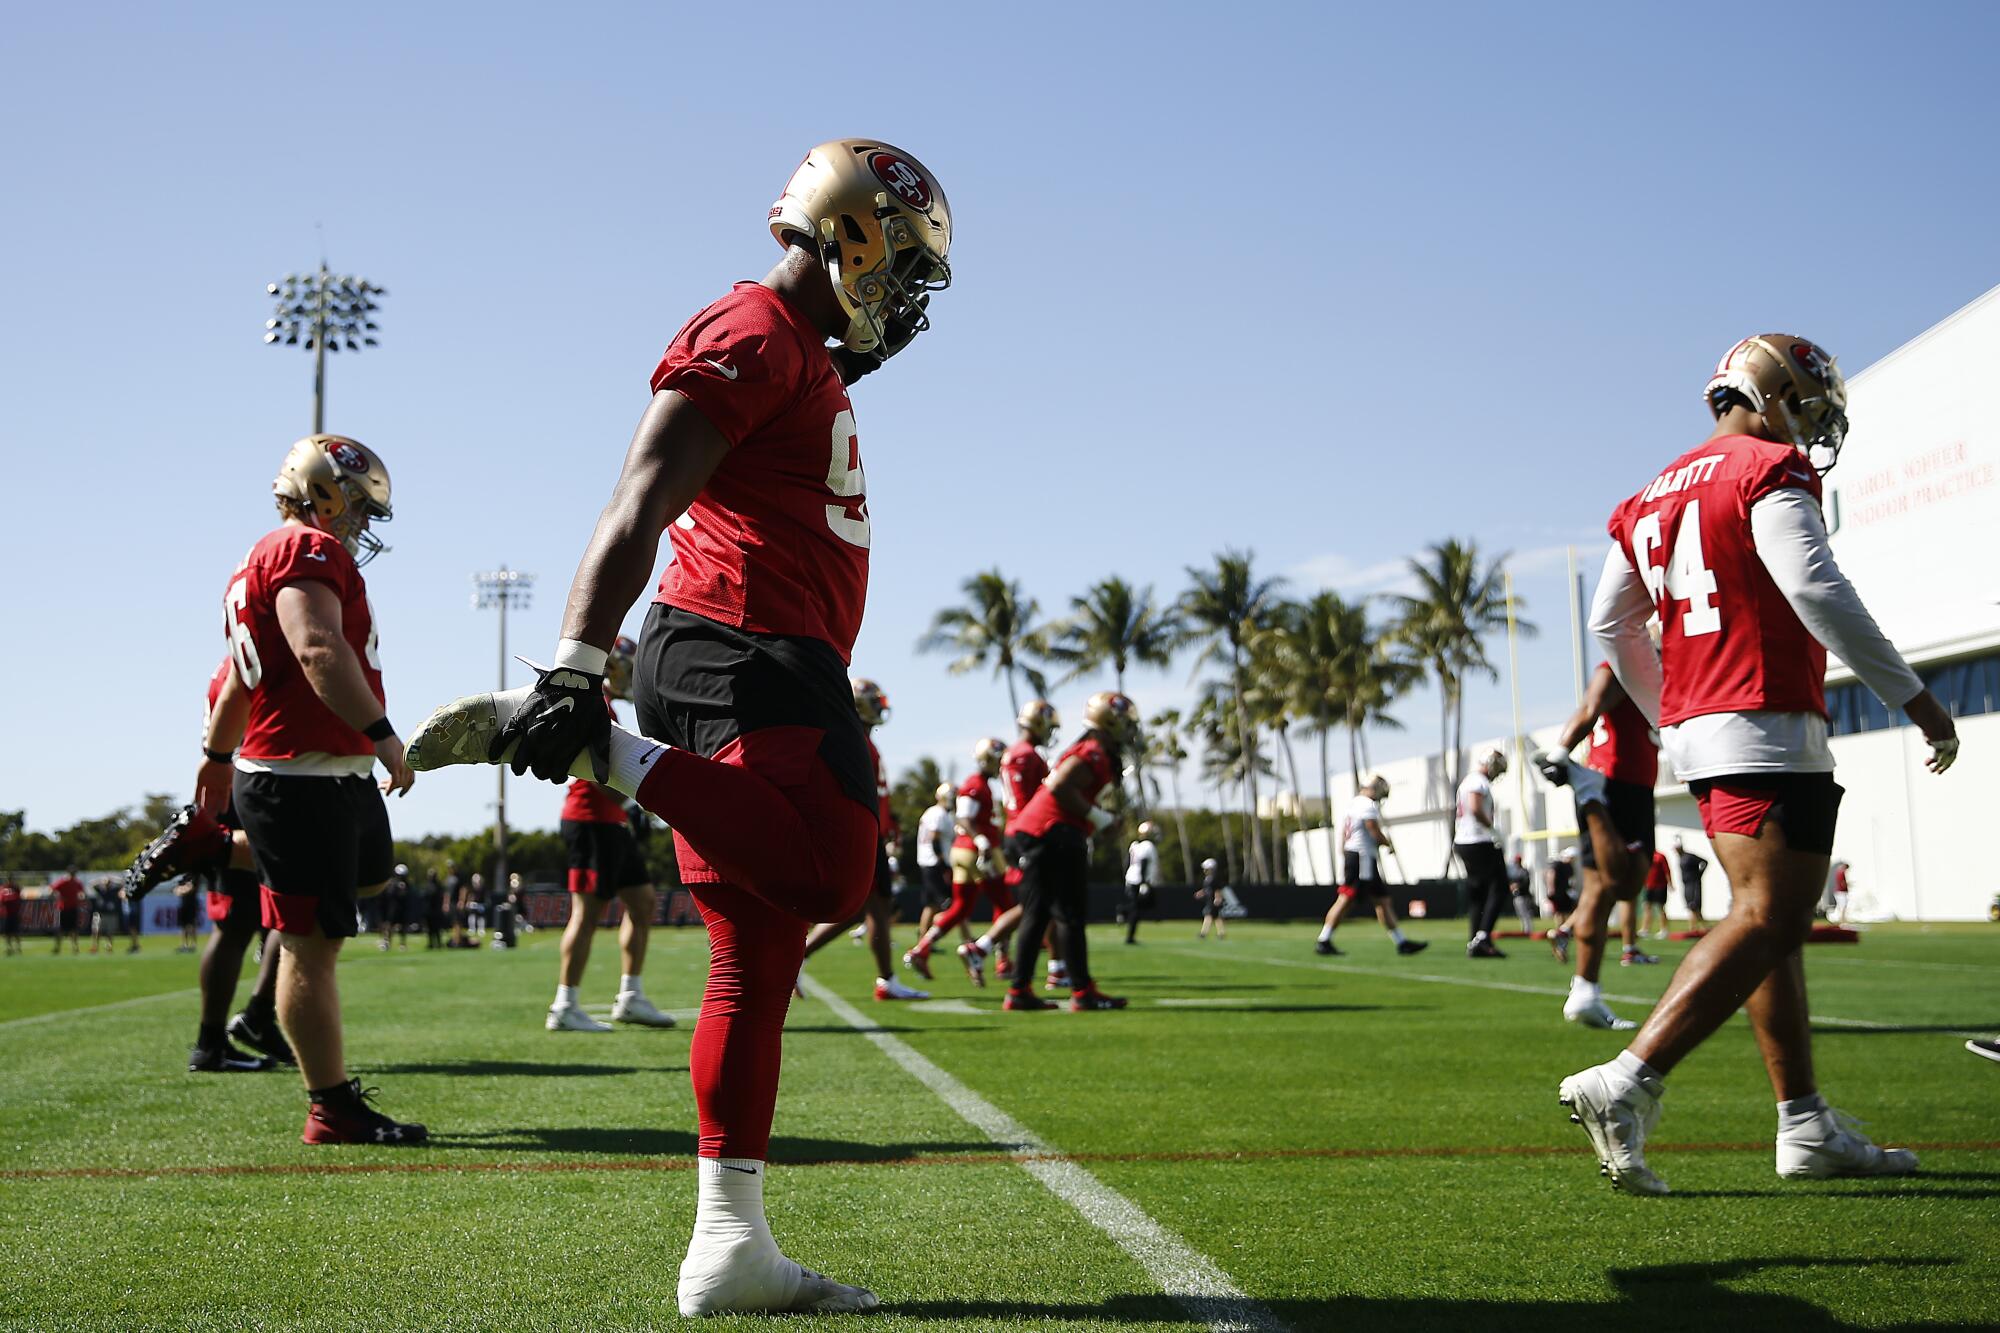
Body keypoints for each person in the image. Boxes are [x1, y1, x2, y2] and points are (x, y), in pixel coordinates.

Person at [405, 138, 950, 1315]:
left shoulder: (797, 349)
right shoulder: (753, 329)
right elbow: (639, 494)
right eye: (899, 261)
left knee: (751, 959)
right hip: (737, 648)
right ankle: (594, 743)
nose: (902, 294)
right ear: (852, 235)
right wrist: (572, 670)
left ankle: (728, 1242)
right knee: (832, 866)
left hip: (757, 649)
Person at [1562, 333, 1954, 1194]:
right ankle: (1627, 1080)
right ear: (1770, 391)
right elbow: (1815, 588)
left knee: (1768, 921)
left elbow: (1608, 625)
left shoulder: (1647, 496)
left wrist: (1671, 701)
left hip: (1704, 724)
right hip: (1767, 715)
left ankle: (1804, 1121)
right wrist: (1916, 700)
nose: (1812, 422)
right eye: (1807, 402)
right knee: (1774, 914)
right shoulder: (1764, 470)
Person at [195, 432, 424, 1144]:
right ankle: (331, 1105)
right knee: (310, 945)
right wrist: (385, 732)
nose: (357, 521)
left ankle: (223, 849)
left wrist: (216, 753)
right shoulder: (305, 551)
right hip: (301, 777)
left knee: (370, 880)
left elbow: (241, 676)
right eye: (354, 503)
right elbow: (316, 647)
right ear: (324, 489)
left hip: (314, 776)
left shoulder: (264, 556)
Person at [124, 661, 297, 1072]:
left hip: (240, 785)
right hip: (253, 784)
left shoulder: (236, 661)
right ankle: (216, 1040)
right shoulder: (252, 658)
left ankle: (249, 1021)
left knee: (285, 911)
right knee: (249, 920)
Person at [549, 637, 680, 1030]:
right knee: (587, 913)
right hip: (591, 819)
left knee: (642, 903)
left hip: (610, 821)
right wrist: (631, 805)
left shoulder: (607, 706)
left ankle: (630, 995)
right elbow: (595, 769)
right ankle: (564, 1004)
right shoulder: (595, 703)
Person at [1535, 660, 1659, 1026]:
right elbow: (1592, 704)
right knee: (1627, 882)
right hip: (1621, 783)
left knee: (1596, 892)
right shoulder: (1624, 662)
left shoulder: (1647, 667)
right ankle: (1587, 794)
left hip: (1622, 781)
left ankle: (1585, 992)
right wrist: (1562, 751)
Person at [1000, 692, 1138, 1011]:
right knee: (1068, 914)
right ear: (1110, 722)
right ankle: (1081, 992)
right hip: (1054, 832)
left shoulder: (1093, 750)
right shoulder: (1092, 752)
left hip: (1042, 831)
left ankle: (1020, 990)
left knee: (1039, 913)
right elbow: (1061, 786)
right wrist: (1100, 818)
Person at [799, 679, 928, 1001]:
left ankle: (800, 956)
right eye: (874, 701)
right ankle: (886, 980)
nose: (880, 706)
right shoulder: (852, 740)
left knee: (861, 910)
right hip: (863, 835)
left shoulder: (862, 742)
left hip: (872, 834)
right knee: (876, 908)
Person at [905, 738, 1012, 986]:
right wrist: (982, 840)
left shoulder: (981, 785)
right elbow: (964, 818)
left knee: (961, 907)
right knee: (1006, 907)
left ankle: (922, 949)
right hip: (977, 850)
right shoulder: (975, 784)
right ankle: (999, 958)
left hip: (964, 851)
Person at [1315, 779, 1427, 957]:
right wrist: (1387, 844)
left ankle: (1401, 942)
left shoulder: (1353, 804)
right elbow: (1372, 828)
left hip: (1359, 856)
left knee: (1382, 901)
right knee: (1346, 898)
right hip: (1362, 857)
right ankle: (1323, 940)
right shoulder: (1366, 804)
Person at [1001, 699, 1060, 988]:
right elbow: (1032, 801)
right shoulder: (1027, 756)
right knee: (1036, 905)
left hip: (1014, 829)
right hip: (1028, 832)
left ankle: (1056, 968)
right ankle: (985, 948)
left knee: (1038, 904)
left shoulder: (1016, 753)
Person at [1455, 748, 1511, 958]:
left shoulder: (1470, 780)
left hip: (1465, 840)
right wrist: (1493, 829)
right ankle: (1483, 937)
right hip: (1478, 840)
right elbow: (1475, 808)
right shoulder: (1478, 781)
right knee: (1500, 886)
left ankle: (1476, 939)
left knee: (1478, 891)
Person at [913, 782, 956, 943]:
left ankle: (924, 941)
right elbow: (934, 839)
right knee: (949, 904)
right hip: (934, 864)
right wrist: (943, 862)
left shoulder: (935, 812)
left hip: (928, 862)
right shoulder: (938, 813)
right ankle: (964, 938)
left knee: (931, 905)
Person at [1122, 821, 1160, 944]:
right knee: (1136, 909)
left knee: (1147, 905)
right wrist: (1143, 883)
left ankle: (1123, 911)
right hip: (1138, 880)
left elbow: (1128, 862)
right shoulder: (1147, 846)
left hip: (1131, 879)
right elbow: (1143, 863)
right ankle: (1130, 937)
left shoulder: (1134, 845)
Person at [1674, 837, 1709, 932]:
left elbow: (1704, 862)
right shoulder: (1681, 858)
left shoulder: (1689, 857)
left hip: (1694, 883)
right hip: (1686, 884)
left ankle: (1694, 928)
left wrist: (1699, 874)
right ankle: (1701, 927)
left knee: (1694, 905)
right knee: (1690, 906)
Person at [1638, 849, 1672, 939]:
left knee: (1660, 908)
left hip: (1660, 886)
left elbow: (1667, 870)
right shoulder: (1645, 857)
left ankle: (1664, 930)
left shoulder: (1660, 856)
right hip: (1649, 886)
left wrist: (1670, 883)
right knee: (1647, 907)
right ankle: (1645, 929)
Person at [48, 869, 83, 954]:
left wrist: (80, 897)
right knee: (62, 929)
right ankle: (58, 947)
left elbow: (81, 892)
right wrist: (57, 897)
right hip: (64, 908)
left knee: (73, 929)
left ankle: (75, 948)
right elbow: (51, 889)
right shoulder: (63, 882)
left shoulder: (76, 882)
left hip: (73, 908)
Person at [1195, 857, 1227, 940]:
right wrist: (1201, 893)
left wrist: (1217, 898)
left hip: (1213, 901)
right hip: (1209, 900)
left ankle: (1203, 933)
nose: (1204, 870)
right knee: (1216, 917)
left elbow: (1217, 890)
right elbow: (1207, 889)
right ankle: (1221, 933)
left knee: (1208, 916)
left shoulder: (1214, 879)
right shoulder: (1207, 879)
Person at [90, 879, 123, 954]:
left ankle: (109, 946)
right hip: (101, 914)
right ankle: (96, 946)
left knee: (110, 932)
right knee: (98, 931)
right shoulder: (101, 890)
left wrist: (114, 881)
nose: (107, 885)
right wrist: (100, 881)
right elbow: (92, 885)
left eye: (108, 883)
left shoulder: (114, 890)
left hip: (111, 914)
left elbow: (122, 884)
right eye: (105, 883)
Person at [176, 879, 201, 953]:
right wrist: (182, 889)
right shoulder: (183, 878)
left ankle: (193, 944)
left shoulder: (194, 876)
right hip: (183, 904)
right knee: (183, 925)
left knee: (191, 925)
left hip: (192, 904)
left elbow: (190, 888)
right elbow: (177, 890)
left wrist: (182, 889)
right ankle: (184, 945)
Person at [0, 877, 20, 955]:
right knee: (6, 933)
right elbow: (2, 901)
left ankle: (18, 948)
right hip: (5, 914)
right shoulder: (2, 889)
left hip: (13, 914)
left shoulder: (16, 889)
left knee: (15, 933)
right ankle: (9, 948)